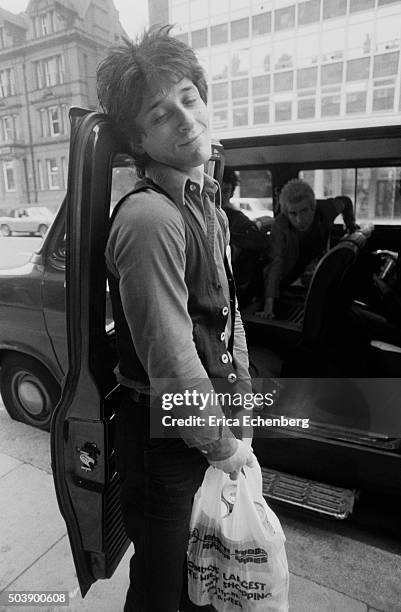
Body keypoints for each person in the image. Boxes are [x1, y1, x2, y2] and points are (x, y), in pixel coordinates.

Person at [97, 26, 254, 612]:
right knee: (163, 586)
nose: (185, 119)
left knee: (200, 577)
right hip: (165, 439)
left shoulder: (204, 200)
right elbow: (171, 357)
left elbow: (226, 313)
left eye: (189, 97)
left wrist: (240, 401)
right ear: (140, 139)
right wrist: (220, 444)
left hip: (200, 424)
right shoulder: (149, 219)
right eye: (160, 115)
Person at [257, 178, 359, 318]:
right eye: (293, 213)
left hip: (315, 265)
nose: (299, 220)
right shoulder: (280, 225)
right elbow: (276, 263)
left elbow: (346, 201)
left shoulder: (327, 208)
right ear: (287, 213)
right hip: (288, 275)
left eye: (304, 211)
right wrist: (269, 306)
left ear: (313, 207)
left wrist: (350, 224)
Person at [221, 167, 270, 308]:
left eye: (226, 191)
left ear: (231, 193)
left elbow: (259, 241)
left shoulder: (237, 218)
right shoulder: (199, 215)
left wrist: (230, 241)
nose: (221, 196)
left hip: (232, 283)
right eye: (217, 190)